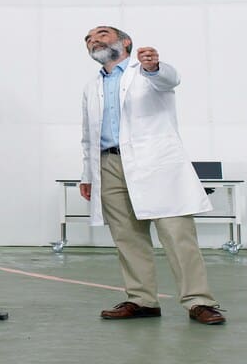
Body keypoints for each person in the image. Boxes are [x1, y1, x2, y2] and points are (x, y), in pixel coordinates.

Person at [77, 26, 226, 325]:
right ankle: (141, 299)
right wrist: (87, 174)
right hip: (109, 165)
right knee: (127, 237)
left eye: (102, 34)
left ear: (125, 43)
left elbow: (170, 80)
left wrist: (154, 66)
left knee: (177, 234)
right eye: (89, 38)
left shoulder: (145, 73)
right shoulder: (91, 87)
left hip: (155, 164)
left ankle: (199, 301)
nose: (94, 39)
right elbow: (88, 136)